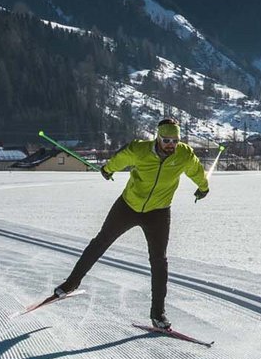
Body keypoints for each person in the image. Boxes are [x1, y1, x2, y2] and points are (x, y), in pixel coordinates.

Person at [51, 118, 210, 330]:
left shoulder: (184, 154)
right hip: (128, 206)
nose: (171, 144)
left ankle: (158, 314)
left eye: (175, 140)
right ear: (158, 137)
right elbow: (120, 158)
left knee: (159, 260)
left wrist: (203, 187)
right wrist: (108, 169)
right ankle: (71, 283)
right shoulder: (140, 150)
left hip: (159, 212)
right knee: (101, 242)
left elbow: (196, 170)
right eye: (166, 139)